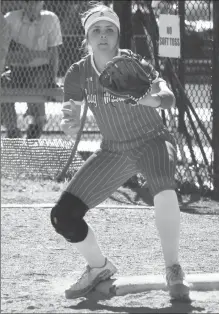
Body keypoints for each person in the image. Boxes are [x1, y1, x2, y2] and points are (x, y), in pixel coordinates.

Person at [50, 2, 190, 301]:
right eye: (96, 30)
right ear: (87, 36)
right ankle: (98, 266)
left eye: (109, 30)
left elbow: (167, 98)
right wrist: (68, 122)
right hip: (114, 150)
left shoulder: (133, 63)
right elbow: (69, 109)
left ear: (117, 35)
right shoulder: (78, 73)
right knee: (63, 216)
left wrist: (147, 99)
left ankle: (173, 268)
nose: (103, 35)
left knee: (163, 187)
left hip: (153, 140)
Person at [1, 0, 62, 138]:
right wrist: (16, 49)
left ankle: (37, 124)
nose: (32, 5)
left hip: (40, 69)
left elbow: (54, 53)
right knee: (3, 83)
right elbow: (3, 44)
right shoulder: (11, 18)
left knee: (37, 82)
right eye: (28, 2)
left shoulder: (50, 19)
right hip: (15, 69)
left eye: (36, 2)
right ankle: (12, 130)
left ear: (42, 3)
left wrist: (52, 79)